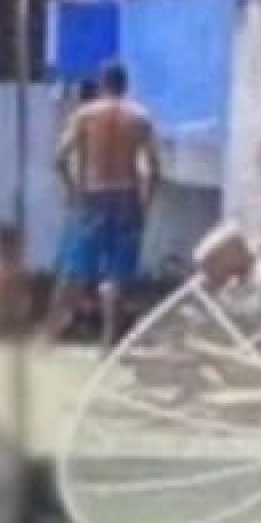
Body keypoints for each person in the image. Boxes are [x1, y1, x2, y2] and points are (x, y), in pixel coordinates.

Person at [52, 60, 160, 347]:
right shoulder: (139, 118)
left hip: (93, 195)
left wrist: (73, 192)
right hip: (127, 196)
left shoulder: (85, 116)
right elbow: (154, 169)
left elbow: (60, 158)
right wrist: (145, 205)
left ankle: (51, 333)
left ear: (101, 85)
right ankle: (108, 340)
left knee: (77, 266)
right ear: (125, 85)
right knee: (117, 273)